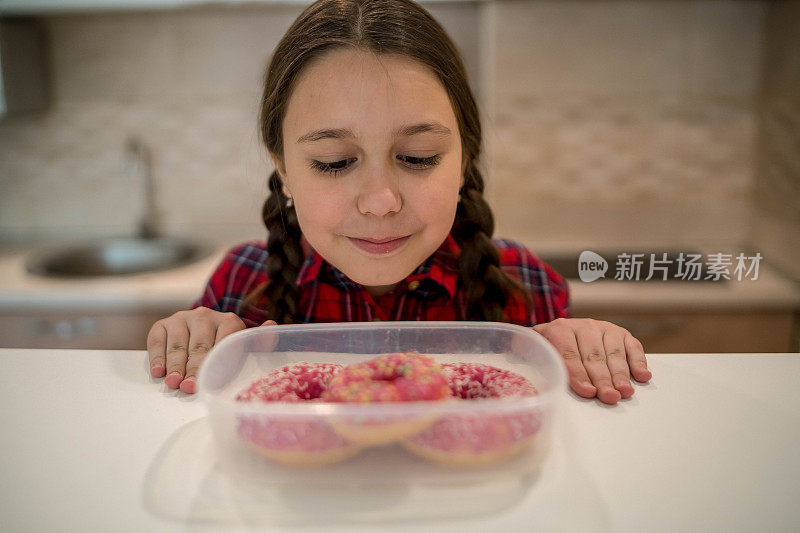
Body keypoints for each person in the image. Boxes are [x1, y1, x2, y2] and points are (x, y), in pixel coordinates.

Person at [146, 0, 651, 404]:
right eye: (334, 162)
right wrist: (194, 339)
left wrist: (588, 348)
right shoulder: (242, 286)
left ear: (464, 157)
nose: (381, 202)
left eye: (417, 156)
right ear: (283, 168)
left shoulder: (523, 285)